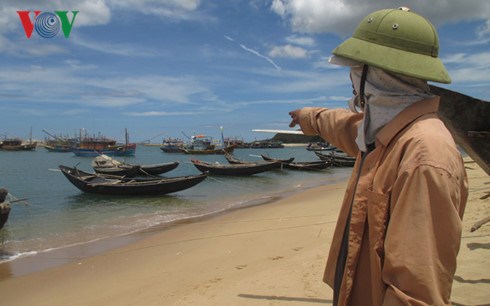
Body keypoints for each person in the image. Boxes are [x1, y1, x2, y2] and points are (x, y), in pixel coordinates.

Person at [288, 7, 468, 306]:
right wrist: (309, 117)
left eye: (356, 67)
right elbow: (344, 125)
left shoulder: (424, 155)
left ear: (374, 72)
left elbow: (415, 291)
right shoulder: (386, 132)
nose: (352, 75)